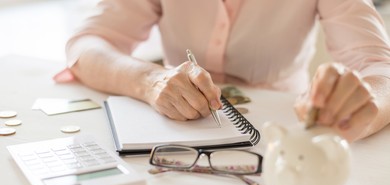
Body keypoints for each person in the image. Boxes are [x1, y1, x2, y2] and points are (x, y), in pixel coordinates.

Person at [56, 0, 390, 142]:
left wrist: (363, 104)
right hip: (175, 136)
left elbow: (380, 67)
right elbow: (88, 45)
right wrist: (150, 80)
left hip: (280, 137)